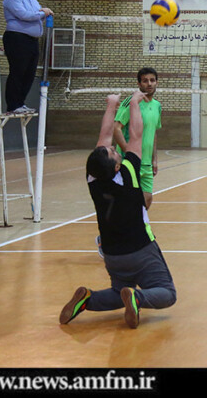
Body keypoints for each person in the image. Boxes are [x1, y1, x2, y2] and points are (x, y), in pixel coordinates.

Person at [59, 91, 177, 329]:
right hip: (141, 249)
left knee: (118, 291)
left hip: (113, 254)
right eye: (114, 153)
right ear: (115, 167)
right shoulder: (129, 171)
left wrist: (112, 106)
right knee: (167, 293)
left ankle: (88, 300)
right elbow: (136, 134)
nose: (115, 149)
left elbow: (103, 138)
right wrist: (134, 103)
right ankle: (138, 298)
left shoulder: (94, 178)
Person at [2, 0, 53, 114]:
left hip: (32, 40)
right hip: (17, 38)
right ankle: (13, 105)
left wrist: (43, 13)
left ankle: (20, 103)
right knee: (18, 72)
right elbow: (25, 15)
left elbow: (37, 15)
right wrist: (43, 12)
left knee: (29, 74)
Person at [112, 67, 162, 210]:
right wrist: (129, 153)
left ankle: (136, 224)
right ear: (139, 84)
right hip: (129, 161)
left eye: (152, 80)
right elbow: (116, 129)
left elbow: (153, 133)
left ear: (157, 82)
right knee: (127, 201)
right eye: (145, 81)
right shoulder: (131, 102)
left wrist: (154, 159)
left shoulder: (157, 106)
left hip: (146, 163)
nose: (149, 84)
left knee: (147, 199)